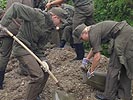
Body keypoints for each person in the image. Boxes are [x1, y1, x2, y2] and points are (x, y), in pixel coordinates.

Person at [0, 3, 67, 100]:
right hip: (21, 48)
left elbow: (39, 49)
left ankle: (35, 94)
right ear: (54, 17)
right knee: (37, 75)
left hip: (32, 51)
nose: (59, 25)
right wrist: (3, 24)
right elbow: (16, 7)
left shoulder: (49, 31)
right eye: (60, 22)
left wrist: (43, 60)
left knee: (47, 70)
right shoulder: (36, 14)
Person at [73, 21, 133, 100]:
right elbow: (94, 48)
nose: (83, 41)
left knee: (113, 67)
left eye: (81, 38)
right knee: (125, 66)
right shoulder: (94, 29)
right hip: (128, 34)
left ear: (84, 33)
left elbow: (97, 57)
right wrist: (86, 59)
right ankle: (124, 95)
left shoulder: (93, 34)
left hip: (123, 37)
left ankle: (109, 96)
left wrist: (91, 71)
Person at [0, 0, 34, 90]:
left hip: (6, 28)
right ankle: (26, 73)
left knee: (4, 56)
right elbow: (29, 15)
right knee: (24, 52)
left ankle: (0, 82)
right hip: (19, 30)